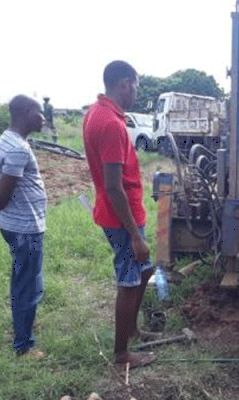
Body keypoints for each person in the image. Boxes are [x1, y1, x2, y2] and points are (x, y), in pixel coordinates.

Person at [83, 60, 156, 368]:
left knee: (144, 271)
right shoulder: (110, 124)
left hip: (123, 213)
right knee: (128, 281)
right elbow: (113, 187)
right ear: (124, 83)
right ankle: (121, 354)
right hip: (121, 217)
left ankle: (132, 328)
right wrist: (136, 236)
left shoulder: (98, 113)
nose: (136, 92)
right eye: (136, 85)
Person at [0, 95, 47, 358]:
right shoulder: (18, 148)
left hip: (15, 225)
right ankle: (24, 346)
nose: (43, 118)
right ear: (28, 113)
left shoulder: (7, 139)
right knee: (27, 285)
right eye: (40, 113)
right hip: (24, 228)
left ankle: (23, 326)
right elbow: (2, 197)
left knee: (24, 280)